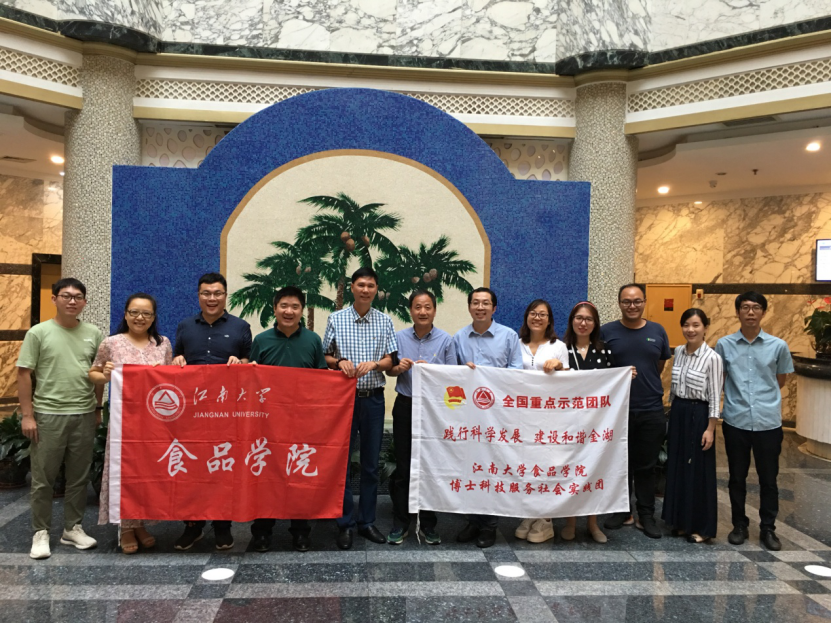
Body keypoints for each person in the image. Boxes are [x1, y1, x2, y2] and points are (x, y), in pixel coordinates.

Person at [16, 278, 103, 560]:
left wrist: (97, 408)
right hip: (48, 415)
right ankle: (40, 532)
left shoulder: (93, 333)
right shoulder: (38, 333)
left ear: (85, 302)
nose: (72, 301)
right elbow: (24, 374)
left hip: (84, 414)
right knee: (44, 479)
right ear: (54, 299)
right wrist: (27, 415)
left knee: (79, 477)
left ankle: (72, 528)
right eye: (66, 296)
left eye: (78, 297)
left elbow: (98, 374)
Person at [172, 272, 252, 551]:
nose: (212, 298)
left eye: (217, 293)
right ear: (198, 296)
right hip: (191, 412)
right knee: (192, 469)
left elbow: (249, 362)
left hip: (226, 412)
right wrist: (177, 360)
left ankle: (222, 526)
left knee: (223, 468)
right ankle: (192, 526)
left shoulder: (241, 326)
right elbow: (177, 358)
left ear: (225, 296)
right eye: (206, 293)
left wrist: (240, 362)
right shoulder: (184, 326)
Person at [89, 293, 173, 554]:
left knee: (148, 473)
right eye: (134, 312)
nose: (140, 318)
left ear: (153, 318)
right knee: (125, 472)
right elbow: (93, 373)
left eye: (146, 313)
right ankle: (125, 528)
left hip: (155, 421)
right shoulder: (111, 343)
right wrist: (104, 376)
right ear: (125, 314)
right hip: (123, 422)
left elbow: (171, 381)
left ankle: (140, 524)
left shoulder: (163, 344)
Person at [247, 286, 329, 553]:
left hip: (301, 422)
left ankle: (301, 532)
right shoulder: (261, 340)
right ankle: (262, 532)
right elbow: (251, 380)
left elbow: (321, 379)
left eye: (295, 306)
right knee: (265, 477)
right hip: (267, 423)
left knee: (299, 475)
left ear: (302, 311)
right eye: (284, 306)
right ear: (275, 308)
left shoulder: (313, 340)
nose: (289, 311)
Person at [324, 267, 398, 550]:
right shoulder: (336, 318)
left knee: (370, 463)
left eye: (371, 286)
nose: (366, 290)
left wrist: (376, 364)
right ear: (352, 287)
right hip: (343, 401)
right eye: (361, 285)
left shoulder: (385, 320)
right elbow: (325, 355)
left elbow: (391, 360)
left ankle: (367, 522)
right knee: (342, 463)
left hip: (374, 399)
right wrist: (338, 362)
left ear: (376, 289)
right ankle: (344, 523)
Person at [716, 292, 793, 551]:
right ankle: (739, 525)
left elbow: (780, 380)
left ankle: (768, 528)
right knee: (736, 477)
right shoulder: (724, 344)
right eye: (745, 307)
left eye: (756, 307)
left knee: (768, 479)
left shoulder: (778, 346)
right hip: (735, 421)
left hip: (767, 422)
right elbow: (721, 379)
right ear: (737, 312)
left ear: (763, 312)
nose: (750, 312)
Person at [386, 290, 457, 545]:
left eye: (427, 307)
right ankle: (401, 522)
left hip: (433, 409)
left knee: (430, 466)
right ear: (411, 311)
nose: (423, 311)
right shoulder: (398, 337)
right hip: (405, 405)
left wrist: (435, 371)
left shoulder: (446, 340)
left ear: (434, 310)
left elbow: (453, 376)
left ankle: (428, 524)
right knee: (403, 466)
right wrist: (399, 368)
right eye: (418, 307)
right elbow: (389, 371)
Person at [454, 287, 523, 548]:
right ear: (469, 307)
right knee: (471, 467)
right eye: (475, 303)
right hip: (469, 416)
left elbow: (516, 373)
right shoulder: (459, 337)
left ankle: (489, 525)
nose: (480, 307)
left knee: (493, 468)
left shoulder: (509, 336)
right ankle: (473, 521)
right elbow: (451, 375)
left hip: (498, 416)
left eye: (485, 303)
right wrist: (463, 372)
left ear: (494, 308)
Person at [600, 284, 671, 539]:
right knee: (620, 464)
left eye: (637, 301)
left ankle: (646, 515)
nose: (632, 306)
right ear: (619, 303)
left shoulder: (657, 331)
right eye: (627, 301)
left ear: (644, 302)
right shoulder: (607, 332)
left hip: (651, 408)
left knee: (647, 466)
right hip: (617, 411)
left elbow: (659, 365)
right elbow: (601, 370)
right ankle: (622, 511)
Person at [662, 309, 723, 544]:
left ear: (705, 327)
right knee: (677, 466)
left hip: (700, 415)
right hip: (679, 411)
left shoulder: (712, 358)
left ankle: (702, 527)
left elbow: (715, 396)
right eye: (686, 325)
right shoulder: (678, 351)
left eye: (696, 325)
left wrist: (710, 428)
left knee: (699, 469)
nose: (691, 330)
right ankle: (680, 522)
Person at [562, 301, 618, 544]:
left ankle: (593, 523)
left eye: (588, 319)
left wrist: (626, 376)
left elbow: (612, 383)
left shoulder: (605, 351)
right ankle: (570, 522)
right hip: (568, 423)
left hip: (596, 424)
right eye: (579, 318)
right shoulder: (561, 350)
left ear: (595, 324)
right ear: (572, 321)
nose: (583, 323)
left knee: (593, 471)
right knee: (571, 471)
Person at [514, 299, 568, 545]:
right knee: (526, 464)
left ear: (549, 320)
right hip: (522, 416)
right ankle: (530, 513)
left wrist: (559, 365)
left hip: (550, 417)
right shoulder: (516, 344)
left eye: (542, 314)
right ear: (527, 316)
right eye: (533, 313)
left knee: (547, 463)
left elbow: (569, 381)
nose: (537, 318)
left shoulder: (558, 346)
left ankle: (546, 519)